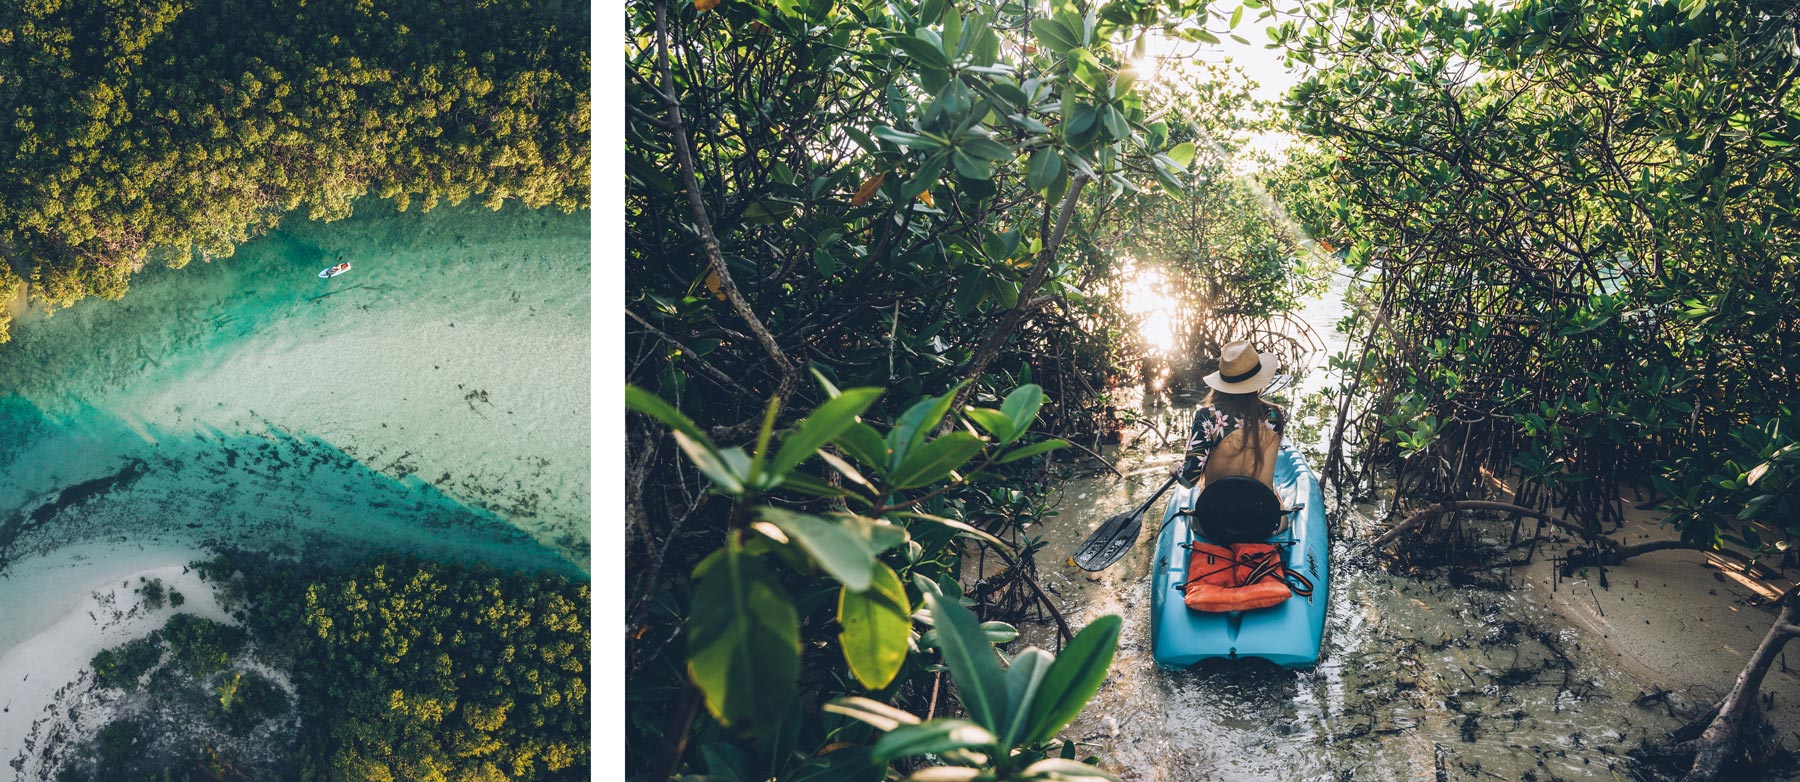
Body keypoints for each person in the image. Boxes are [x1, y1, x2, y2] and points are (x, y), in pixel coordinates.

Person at [1174, 340, 1286, 491]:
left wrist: (1176, 468)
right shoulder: (1278, 414)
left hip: (1216, 510)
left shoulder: (1207, 417)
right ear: (1257, 381)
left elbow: (1188, 480)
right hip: (1261, 509)